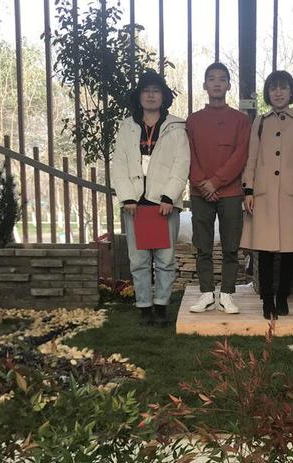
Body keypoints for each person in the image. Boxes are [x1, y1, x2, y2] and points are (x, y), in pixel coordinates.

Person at [110, 70, 189, 328]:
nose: (151, 95)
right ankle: (144, 307)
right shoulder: (126, 126)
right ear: (139, 96)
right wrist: (127, 198)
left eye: (156, 91)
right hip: (135, 205)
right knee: (139, 260)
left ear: (164, 96)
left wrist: (169, 196)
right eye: (146, 91)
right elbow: (119, 164)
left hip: (164, 204)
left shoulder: (176, 127)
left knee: (165, 259)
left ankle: (161, 306)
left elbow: (182, 163)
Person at [241, 70, 293, 320]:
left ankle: (283, 296)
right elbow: (252, 157)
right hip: (264, 195)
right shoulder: (260, 121)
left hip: (292, 195)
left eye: (283, 87)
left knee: (289, 250)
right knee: (263, 250)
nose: (278, 92)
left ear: (291, 91)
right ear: (268, 93)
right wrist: (249, 189)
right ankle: (267, 300)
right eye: (273, 88)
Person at [186, 62, 251, 314]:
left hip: (231, 192)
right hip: (199, 191)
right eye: (211, 78)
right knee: (202, 246)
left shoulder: (240, 120)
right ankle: (206, 294)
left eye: (222, 79)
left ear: (228, 85)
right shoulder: (193, 120)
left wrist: (216, 181)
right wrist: (202, 182)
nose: (216, 83)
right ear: (205, 85)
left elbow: (241, 155)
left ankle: (227, 294)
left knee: (231, 247)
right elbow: (188, 155)